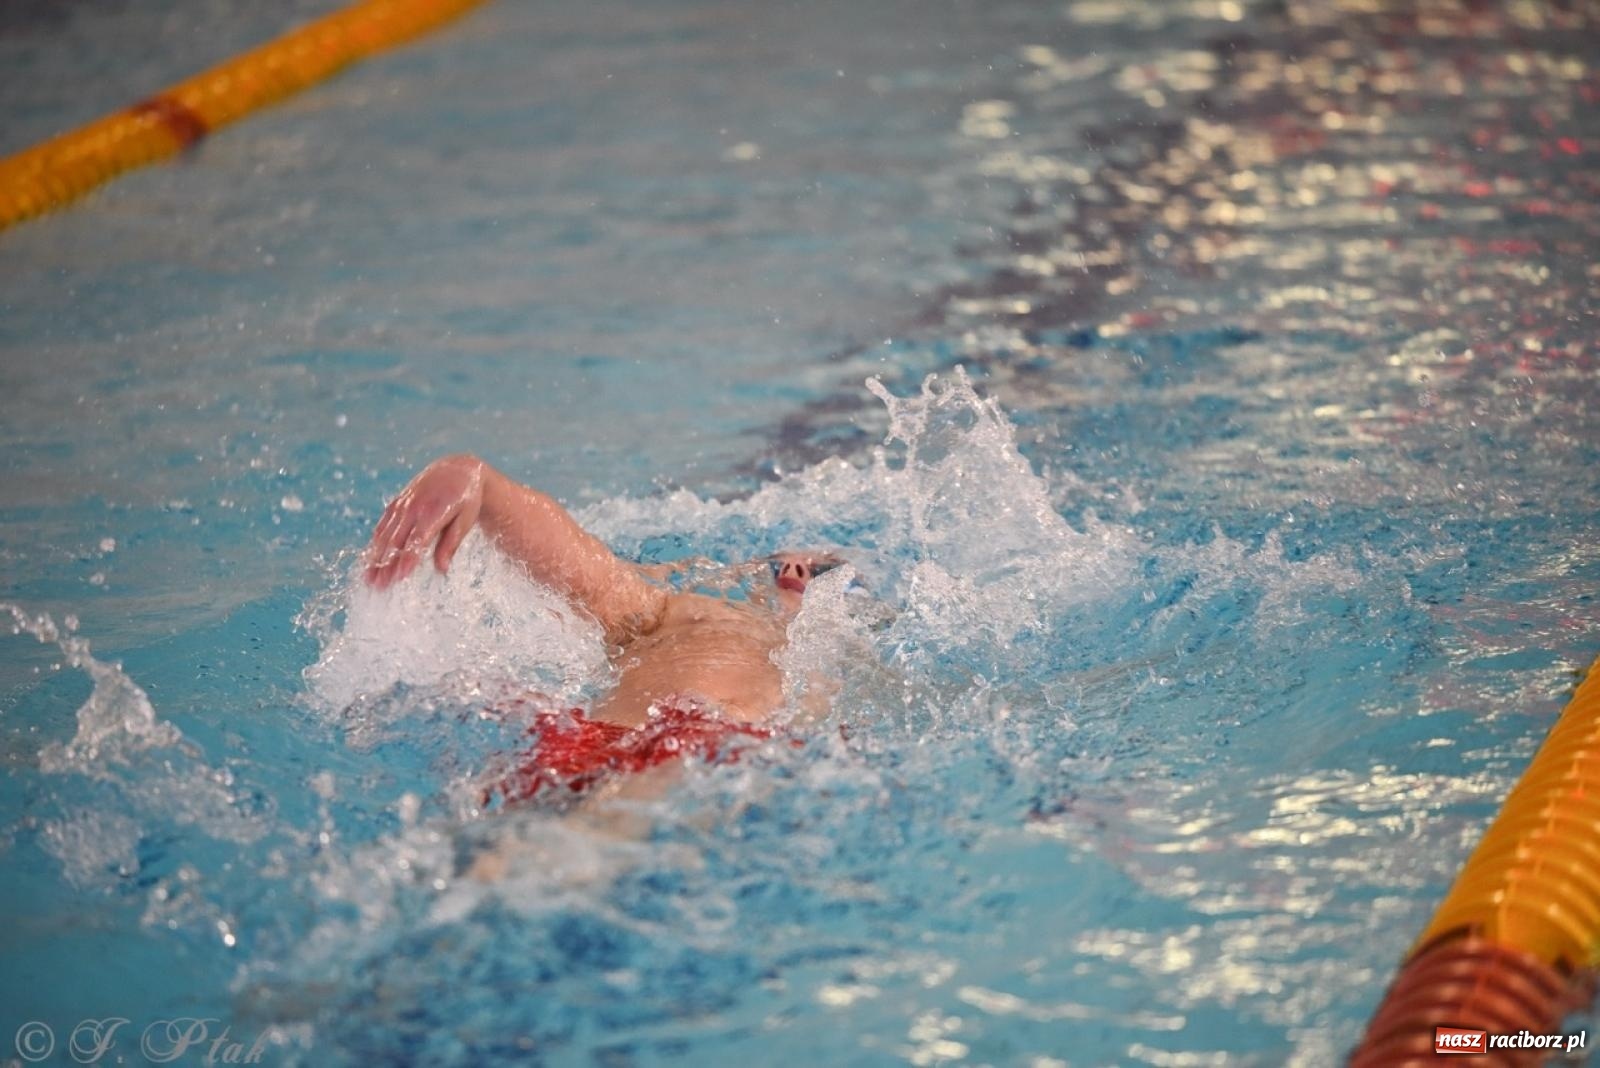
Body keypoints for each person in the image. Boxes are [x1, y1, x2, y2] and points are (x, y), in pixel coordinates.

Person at [364, 453, 839, 805]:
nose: (796, 570)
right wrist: (482, 483)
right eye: (781, 566)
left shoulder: (826, 647)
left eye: (814, 571)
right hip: (674, 743)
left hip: (664, 748)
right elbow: (586, 573)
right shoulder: (687, 614)